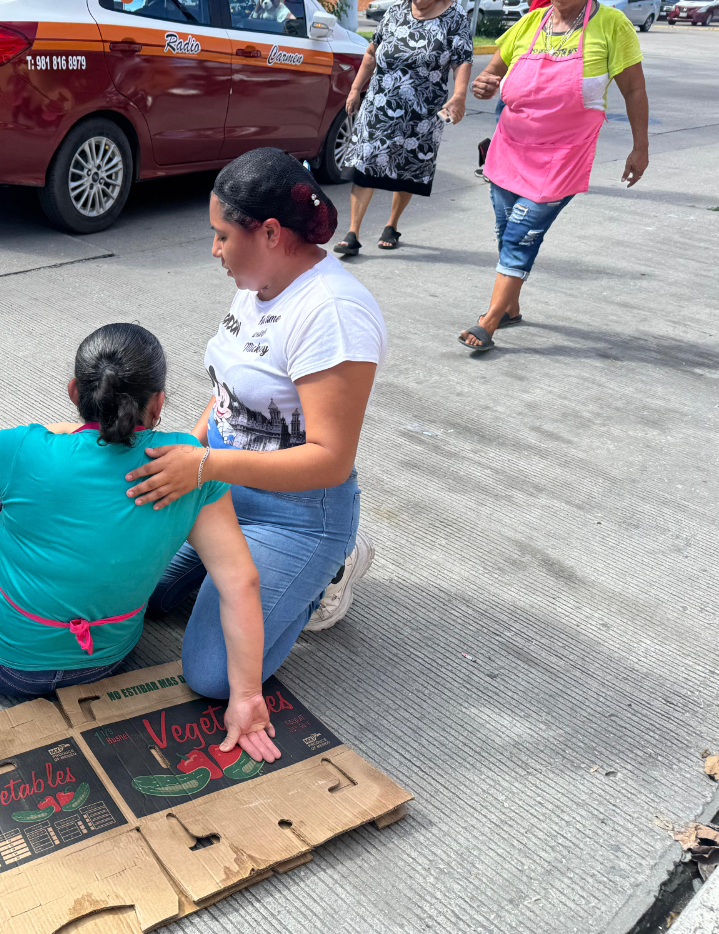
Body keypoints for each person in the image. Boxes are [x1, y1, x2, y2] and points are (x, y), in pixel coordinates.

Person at [0, 324, 282, 763]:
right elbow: (240, 582)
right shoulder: (188, 463)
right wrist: (246, 695)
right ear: (158, 404)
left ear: (76, 392)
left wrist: (62, 435)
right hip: (103, 662)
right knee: (21, 504)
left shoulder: (25, 448)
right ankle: (0, 499)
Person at [123, 149, 387, 690]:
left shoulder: (332, 313)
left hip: (293, 511)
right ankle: (240, 575)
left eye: (222, 236)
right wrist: (179, 450)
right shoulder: (256, 282)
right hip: (219, 481)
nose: (214, 249)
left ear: (269, 232)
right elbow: (230, 393)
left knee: (213, 676)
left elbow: (330, 459)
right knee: (131, 593)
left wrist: (201, 465)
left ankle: (331, 566)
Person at [460, 0, 648, 351]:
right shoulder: (530, 23)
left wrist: (641, 146)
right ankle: (510, 308)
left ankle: (490, 321)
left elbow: (634, 88)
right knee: (505, 229)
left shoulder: (611, 24)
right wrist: (484, 84)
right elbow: (492, 72)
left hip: (563, 156)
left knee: (520, 233)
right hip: (509, 148)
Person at [334, 0, 474, 255]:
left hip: (422, 113)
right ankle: (352, 233)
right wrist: (355, 89)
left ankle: (392, 224)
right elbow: (371, 52)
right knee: (365, 163)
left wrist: (460, 95)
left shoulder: (455, 17)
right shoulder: (395, 11)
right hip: (379, 105)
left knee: (407, 167)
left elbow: (462, 60)